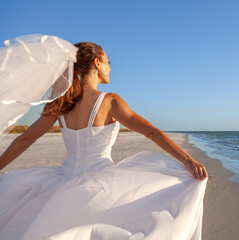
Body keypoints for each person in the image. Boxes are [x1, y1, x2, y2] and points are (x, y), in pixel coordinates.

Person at [0, 36, 208, 240]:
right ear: (97, 63)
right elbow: (151, 132)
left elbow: (25, 140)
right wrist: (187, 160)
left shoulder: (60, 104)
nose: (110, 67)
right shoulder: (109, 101)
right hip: (100, 184)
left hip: (62, 181)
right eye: (108, 62)